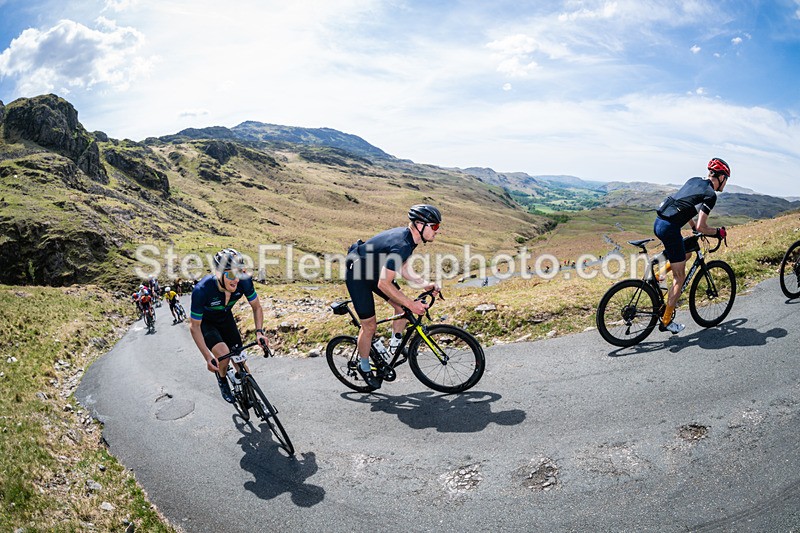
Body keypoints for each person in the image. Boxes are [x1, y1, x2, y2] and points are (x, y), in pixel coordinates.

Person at [345, 204, 442, 389]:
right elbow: (384, 284)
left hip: (373, 270)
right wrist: (412, 304)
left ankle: (394, 346)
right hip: (357, 273)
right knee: (369, 326)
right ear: (420, 225)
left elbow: (403, 268)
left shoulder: (409, 239)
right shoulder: (402, 244)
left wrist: (424, 284)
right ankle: (364, 367)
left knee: (402, 307)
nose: (437, 231)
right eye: (435, 226)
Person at [654, 157, 730, 334]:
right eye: (726, 179)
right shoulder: (710, 195)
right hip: (670, 229)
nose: (725, 183)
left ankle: (658, 276)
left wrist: (693, 227)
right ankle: (666, 321)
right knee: (679, 278)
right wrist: (718, 232)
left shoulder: (694, 180)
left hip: (659, 222)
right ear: (721, 177)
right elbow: (703, 227)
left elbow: (683, 204)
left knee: (686, 253)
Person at [189, 248, 269, 403]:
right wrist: (208, 357)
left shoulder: (244, 281)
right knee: (224, 355)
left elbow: (257, 307)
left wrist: (259, 332)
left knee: (239, 359)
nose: (236, 279)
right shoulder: (202, 290)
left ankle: (252, 394)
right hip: (207, 324)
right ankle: (222, 379)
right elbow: (194, 326)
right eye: (231, 274)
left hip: (226, 319)